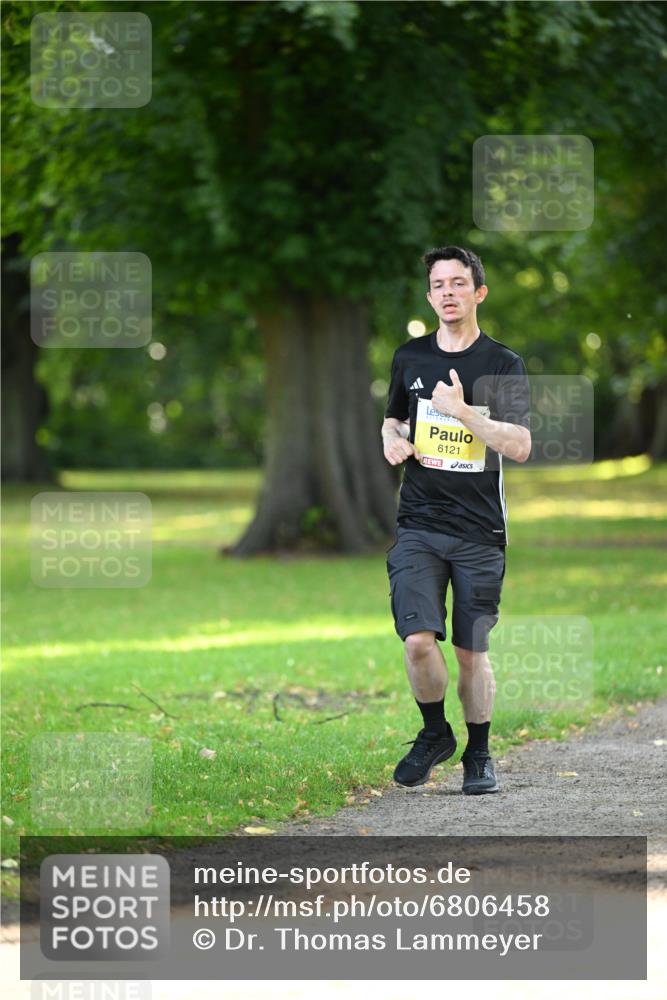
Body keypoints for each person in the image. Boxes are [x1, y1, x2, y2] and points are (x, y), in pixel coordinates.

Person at [381, 245, 531, 794]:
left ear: (478, 292)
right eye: (439, 284)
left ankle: (480, 753)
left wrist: (464, 411)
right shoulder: (410, 357)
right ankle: (434, 733)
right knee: (418, 640)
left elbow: (519, 444)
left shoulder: (502, 363)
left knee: (471, 652)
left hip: (479, 530)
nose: (448, 292)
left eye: (458, 283)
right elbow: (392, 419)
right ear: (429, 295)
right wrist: (392, 441)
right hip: (419, 521)